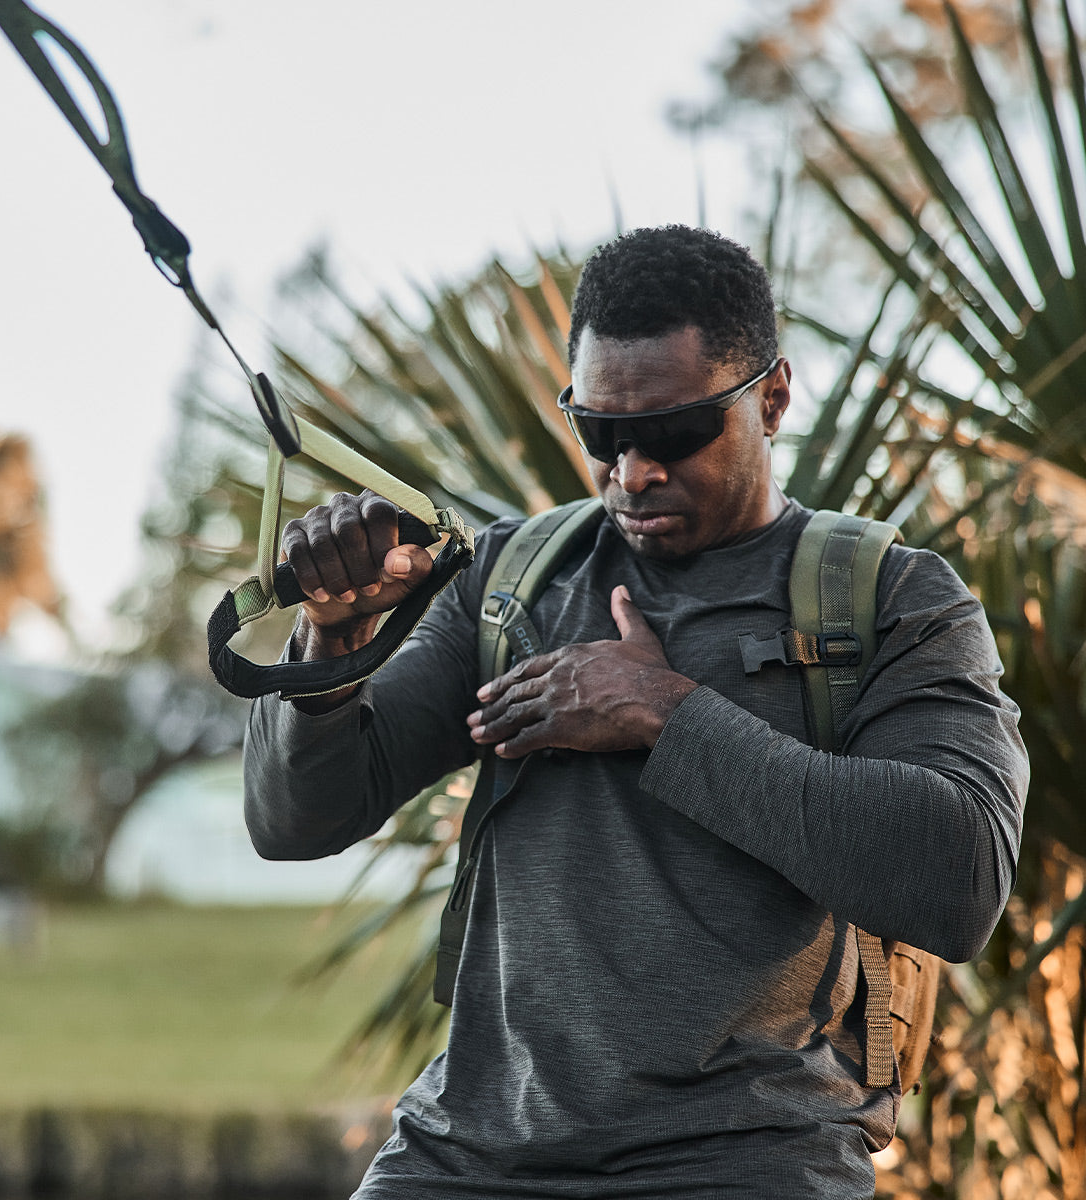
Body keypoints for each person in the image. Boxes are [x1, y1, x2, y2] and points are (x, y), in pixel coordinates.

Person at [243, 225, 1028, 1199]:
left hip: (747, 1161)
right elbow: (294, 819)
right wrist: (333, 647)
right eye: (600, 434)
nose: (632, 472)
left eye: (673, 432)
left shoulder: (892, 600)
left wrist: (667, 714)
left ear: (773, 396)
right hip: (466, 1156)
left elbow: (959, 881)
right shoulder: (510, 580)